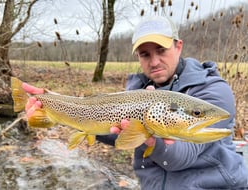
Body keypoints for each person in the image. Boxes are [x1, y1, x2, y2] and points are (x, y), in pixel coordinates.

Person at [22, 16, 248, 189]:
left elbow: (183, 157)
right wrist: (54, 109)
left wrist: (152, 141)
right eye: (145, 54)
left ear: (178, 46)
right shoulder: (137, 90)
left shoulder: (214, 90)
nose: (155, 61)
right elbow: (116, 131)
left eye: (161, 50)